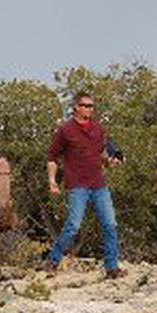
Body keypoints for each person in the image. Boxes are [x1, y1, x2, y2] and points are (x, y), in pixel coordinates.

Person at [43, 91, 126, 279]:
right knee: (73, 226)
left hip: (99, 184)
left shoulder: (98, 128)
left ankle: (112, 268)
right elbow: (52, 158)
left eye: (92, 106)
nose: (90, 109)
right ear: (76, 107)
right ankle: (53, 261)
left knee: (110, 225)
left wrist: (112, 161)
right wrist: (52, 182)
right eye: (86, 105)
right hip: (77, 185)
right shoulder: (65, 130)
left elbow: (102, 155)